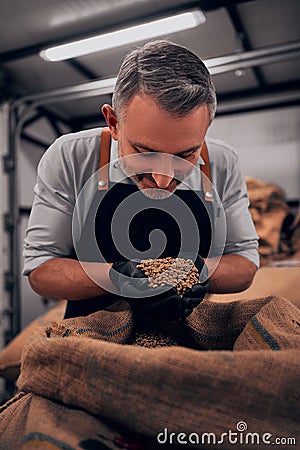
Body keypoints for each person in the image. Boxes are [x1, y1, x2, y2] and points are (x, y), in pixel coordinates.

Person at [23, 40, 259, 321]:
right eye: (145, 153)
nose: (162, 180)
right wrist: (118, 278)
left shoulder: (223, 162)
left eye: (186, 154)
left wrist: (199, 272)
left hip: (189, 332)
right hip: (92, 334)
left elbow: (244, 261)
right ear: (113, 123)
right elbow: (41, 269)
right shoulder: (71, 157)